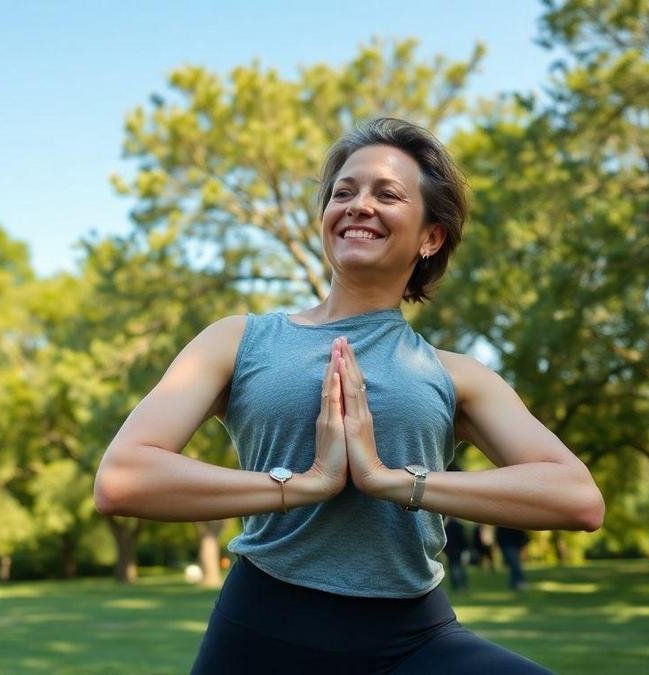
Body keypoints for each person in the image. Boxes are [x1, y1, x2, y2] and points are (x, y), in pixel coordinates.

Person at [94, 117, 604, 674]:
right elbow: (123, 480)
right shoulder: (237, 340)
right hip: (263, 631)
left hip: (412, 641)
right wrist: (304, 485)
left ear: (431, 237)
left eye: (387, 194)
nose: (359, 204)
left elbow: (577, 497)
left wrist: (390, 480)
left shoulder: (457, 376)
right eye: (344, 192)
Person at [496, 526, 530, 592]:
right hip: (506, 544)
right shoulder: (502, 522)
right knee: (514, 563)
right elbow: (499, 533)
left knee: (514, 564)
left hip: (515, 543)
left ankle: (514, 583)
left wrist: (523, 544)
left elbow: (521, 532)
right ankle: (520, 582)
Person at [443, 517, 470, 591]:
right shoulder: (459, 526)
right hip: (457, 551)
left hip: (452, 551)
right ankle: (460, 586)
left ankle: (459, 586)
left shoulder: (447, 526)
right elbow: (464, 539)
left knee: (455, 569)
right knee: (458, 569)